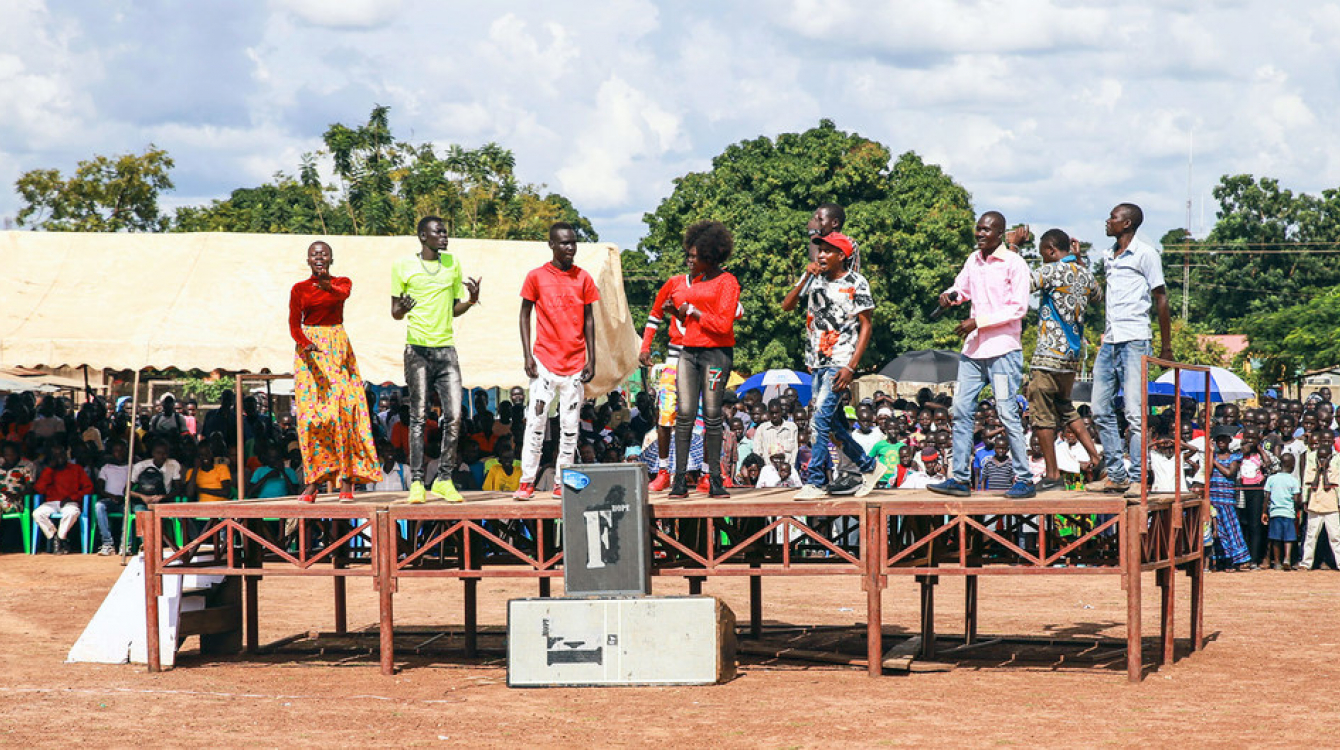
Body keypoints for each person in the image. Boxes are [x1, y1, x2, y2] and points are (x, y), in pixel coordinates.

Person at [929, 213, 1034, 498]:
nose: (980, 234)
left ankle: (1024, 479)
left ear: (1000, 233)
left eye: (986, 229)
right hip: (974, 352)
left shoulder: (1014, 263)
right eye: (978, 229)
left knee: (1007, 412)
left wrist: (979, 321)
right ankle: (961, 480)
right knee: (961, 411)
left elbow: (1019, 308)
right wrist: (949, 295)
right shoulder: (973, 260)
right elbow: (961, 289)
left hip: (1003, 351)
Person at [781, 231, 880, 500]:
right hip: (817, 361)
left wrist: (851, 366)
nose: (821, 255)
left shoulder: (856, 282)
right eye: (819, 251)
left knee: (819, 421)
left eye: (827, 251)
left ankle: (814, 481)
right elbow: (787, 306)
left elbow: (866, 325)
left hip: (840, 360)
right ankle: (869, 467)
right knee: (833, 426)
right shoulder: (814, 280)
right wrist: (805, 278)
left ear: (841, 256)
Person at [392, 217, 481, 504]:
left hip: (446, 351)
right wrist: (402, 309)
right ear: (422, 236)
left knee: (454, 416)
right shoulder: (403, 266)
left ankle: (444, 478)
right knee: (418, 416)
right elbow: (395, 310)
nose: (444, 236)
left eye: (445, 231)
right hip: (417, 349)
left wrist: (469, 300)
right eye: (438, 232)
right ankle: (417, 481)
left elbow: (454, 310)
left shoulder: (452, 263)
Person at [1087, 203, 1173, 496]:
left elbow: (1161, 298)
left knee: (1135, 412)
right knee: (1099, 408)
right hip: (1110, 340)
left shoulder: (1146, 254)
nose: (1108, 221)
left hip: (1135, 340)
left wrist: (1167, 347)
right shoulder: (1109, 256)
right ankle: (1116, 473)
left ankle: (1138, 478)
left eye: (1113, 217)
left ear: (1127, 224)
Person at [290, 240, 383, 503]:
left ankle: (346, 479)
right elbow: (294, 323)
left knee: (343, 412)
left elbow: (342, 294)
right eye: (314, 254)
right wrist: (305, 344)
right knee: (311, 419)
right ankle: (314, 480)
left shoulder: (342, 282)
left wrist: (325, 284)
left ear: (331, 259)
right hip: (310, 351)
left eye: (324, 254)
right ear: (307, 260)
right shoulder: (298, 289)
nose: (319, 257)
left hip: (337, 346)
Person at [514, 222, 600, 500]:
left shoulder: (583, 278)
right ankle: (527, 481)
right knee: (536, 423)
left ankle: (562, 481)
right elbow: (524, 314)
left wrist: (591, 358)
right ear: (551, 244)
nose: (570, 248)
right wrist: (528, 354)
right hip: (545, 361)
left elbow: (589, 319)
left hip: (575, 363)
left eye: (573, 242)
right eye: (564, 243)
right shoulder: (536, 276)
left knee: (570, 426)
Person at [1023, 229, 1103, 492]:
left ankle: (1052, 473)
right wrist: (1079, 261)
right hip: (1071, 356)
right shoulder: (1083, 273)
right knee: (1065, 406)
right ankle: (1095, 455)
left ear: (1049, 250)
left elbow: (1022, 284)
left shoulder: (1051, 270)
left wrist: (1013, 250)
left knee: (1042, 413)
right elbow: (1097, 295)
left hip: (1048, 355)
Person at [665, 221, 739, 499]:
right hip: (689, 352)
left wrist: (693, 312)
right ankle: (679, 480)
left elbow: (722, 325)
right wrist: (677, 312)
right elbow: (690, 320)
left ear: (710, 256)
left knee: (711, 415)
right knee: (683, 415)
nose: (690, 260)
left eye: (695, 256)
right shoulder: (696, 282)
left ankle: (715, 479)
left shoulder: (728, 282)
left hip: (716, 355)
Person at [638, 256, 693, 491]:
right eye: (690, 256)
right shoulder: (674, 283)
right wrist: (645, 346)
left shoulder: (713, 285)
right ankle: (663, 471)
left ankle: (709, 472)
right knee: (665, 415)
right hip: (674, 357)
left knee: (704, 417)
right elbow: (655, 314)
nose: (693, 261)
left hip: (702, 357)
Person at [32, 444, 93, 554]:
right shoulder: (48, 471)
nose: (59, 458)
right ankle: (55, 536)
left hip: (70, 501)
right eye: (55, 455)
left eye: (61, 454)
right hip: (51, 503)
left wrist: (72, 497)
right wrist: (50, 469)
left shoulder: (76, 469)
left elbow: (89, 488)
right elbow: (39, 489)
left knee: (72, 512)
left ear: (66, 455)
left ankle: (60, 537)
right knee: (37, 513)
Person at [1208, 427, 1250, 571]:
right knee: (1219, 532)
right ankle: (1224, 560)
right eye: (1218, 440)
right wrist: (1211, 455)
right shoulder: (1212, 456)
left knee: (1232, 529)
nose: (1221, 442)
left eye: (1223, 440)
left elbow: (1229, 473)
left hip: (1227, 499)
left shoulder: (1234, 457)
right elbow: (1207, 473)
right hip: (1214, 498)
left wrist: (1215, 463)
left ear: (1229, 441)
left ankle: (1238, 558)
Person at [1300, 443, 1340, 570]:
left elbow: (1328, 486)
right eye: (1320, 457)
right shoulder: (1312, 469)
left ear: (1330, 457)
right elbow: (1313, 485)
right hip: (1315, 505)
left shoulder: (1334, 470)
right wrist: (1318, 471)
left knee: (1335, 536)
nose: (1322, 460)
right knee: (1311, 536)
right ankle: (1306, 563)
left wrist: (1325, 470)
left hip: (1331, 506)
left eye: (1325, 458)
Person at [1262, 453, 1301, 570]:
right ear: (1293, 465)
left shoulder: (1271, 479)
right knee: (1289, 538)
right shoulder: (1294, 481)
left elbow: (1266, 497)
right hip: (1288, 513)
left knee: (1276, 538)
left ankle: (1277, 562)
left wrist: (1264, 512)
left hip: (1275, 512)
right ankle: (1287, 558)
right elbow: (1296, 499)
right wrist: (1296, 511)